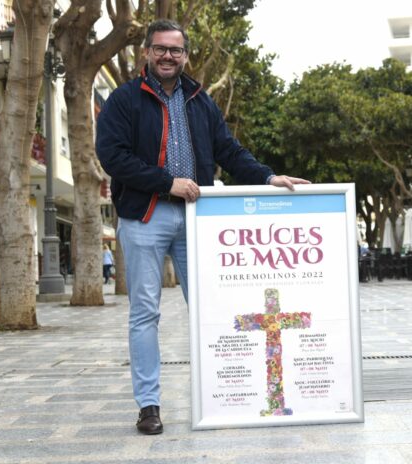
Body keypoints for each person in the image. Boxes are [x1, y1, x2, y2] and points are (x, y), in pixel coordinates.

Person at [95, 19, 309, 435]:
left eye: (175, 50)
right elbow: (113, 157)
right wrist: (166, 182)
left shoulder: (199, 99)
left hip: (199, 220)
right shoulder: (124, 100)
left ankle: (225, 395)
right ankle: (149, 405)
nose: (168, 56)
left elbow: (228, 150)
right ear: (146, 53)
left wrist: (268, 178)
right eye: (160, 49)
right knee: (144, 313)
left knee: (211, 311)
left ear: (186, 55)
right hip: (145, 215)